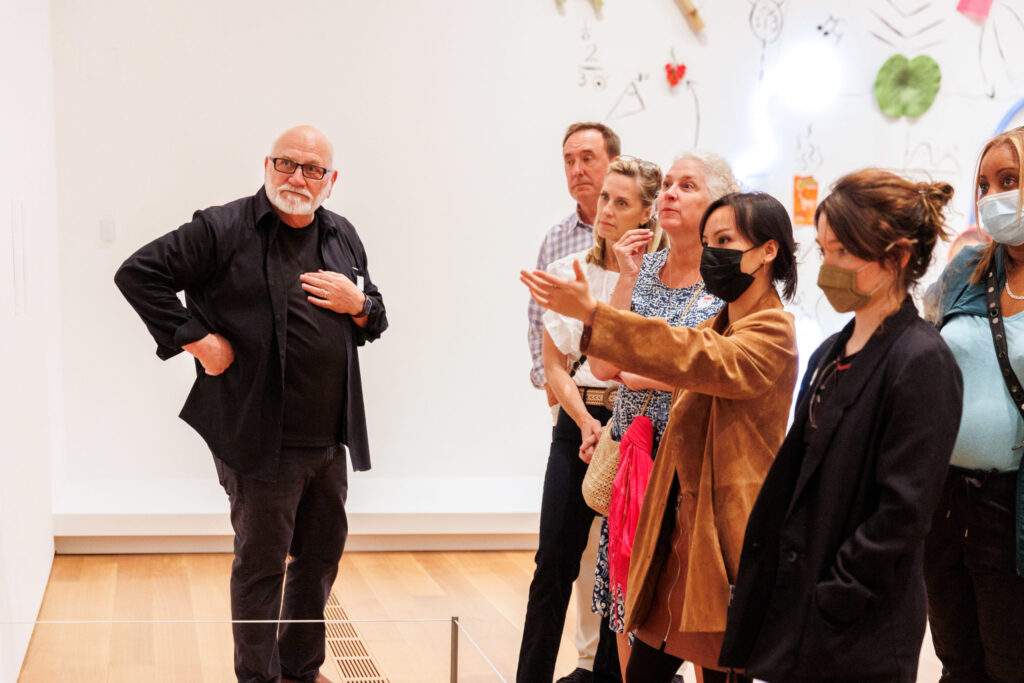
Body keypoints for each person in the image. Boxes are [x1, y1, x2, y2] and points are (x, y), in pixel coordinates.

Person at [114, 125, 386, 683]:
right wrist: (198, 340)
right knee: (262, 566)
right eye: (287, 163)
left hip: (327, 439)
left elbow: (375, 317)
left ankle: (301, 671)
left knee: (318, 561)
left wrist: (359, 303)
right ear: (267, 165)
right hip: (259, 438)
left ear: (331, 181)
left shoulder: (342, 234)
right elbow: (138, 273)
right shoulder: (222, 228)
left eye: (313, 169)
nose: (298, 177)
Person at [523, 191, 800, 683]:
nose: (713, 253)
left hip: (722, 545)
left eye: (725, 241)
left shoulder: (773, 331)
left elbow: (687, 352)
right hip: (676, 534)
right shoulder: (722, 322)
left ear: (767, 251)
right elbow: (665, 354)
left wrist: (597, 317)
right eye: (709, 242)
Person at [719, 169, 964, 683]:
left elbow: (903, 512)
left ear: (897, 257)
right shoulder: (831, 352)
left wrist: (840, 589)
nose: (827, 268)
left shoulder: (922, 360)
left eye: (844, 253)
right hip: (804, 602)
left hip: (859, 622)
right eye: (824, 250)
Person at [585, 153, 738, 676]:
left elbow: (719, 372)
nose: (669, 192)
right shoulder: (643, 268)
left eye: (686, 185)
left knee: (694, 618)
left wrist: (642, 371)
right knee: (627, 608)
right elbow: (602, 365)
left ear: (717, 205)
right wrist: (627, 279)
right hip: (633, 461)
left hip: (690, 473)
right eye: (667, 184)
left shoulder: (727, 282)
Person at [518, 158, 663, 683]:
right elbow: (556, 365)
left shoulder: (660, 278)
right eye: (605, 197)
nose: (606, 209)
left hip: (635, 424)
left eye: (621, 202)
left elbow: (638, 363)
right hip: (577, 422)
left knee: (617, 565)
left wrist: (610, 422)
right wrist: (582, 423)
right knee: (553, 562)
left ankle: (605, 676)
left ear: (647, 213)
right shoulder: (568, 269)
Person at [927, 128, 1024, 683]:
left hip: (1012, 505)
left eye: (1009, 180)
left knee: (1011, 662)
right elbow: (921, 347)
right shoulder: (965, 270)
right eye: (984, 185)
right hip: (944, 498)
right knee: (956, 660)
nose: (993, 197)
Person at [526, 121, 621, 683]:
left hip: (632, 413)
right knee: (561, 555)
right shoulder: (559, 242)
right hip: (575, 406)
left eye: (588, 157)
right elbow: (540, 325)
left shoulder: (655, 253)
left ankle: (596, 667)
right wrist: (560, 399)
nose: (578, 169)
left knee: (614, 557)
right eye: (569, 160)